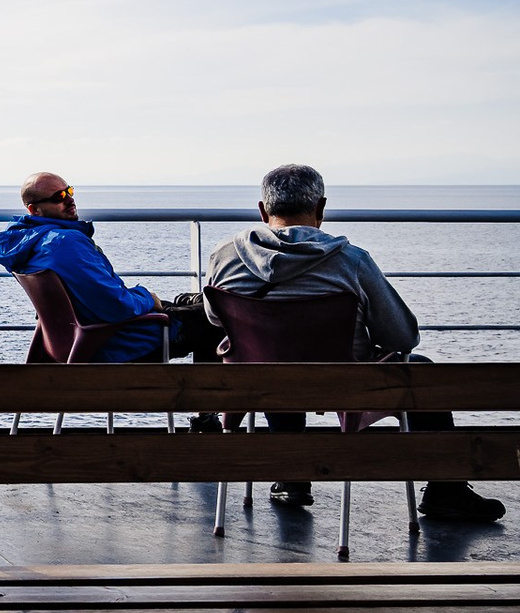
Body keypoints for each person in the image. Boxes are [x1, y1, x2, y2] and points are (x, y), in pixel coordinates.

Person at [204, 163, 504, 521]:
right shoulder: (353, 261)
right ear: (321, 208)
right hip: (345, 388)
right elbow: (403, 337)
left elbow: (214, 319)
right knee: (420, 369)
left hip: (258, 385)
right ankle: (446, 490)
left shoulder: (225, 256)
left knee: (273, 357)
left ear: (262, 210)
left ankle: (292, 476)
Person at [0, 173, 223, 367]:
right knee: (219, 318)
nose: (70, 200)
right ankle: (212, 406)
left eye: (69, 191)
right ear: (35, 210)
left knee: (201, 306)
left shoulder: (29, 245)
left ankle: (190, 302)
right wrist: (147, 297)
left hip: (83, 335)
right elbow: (118, 306)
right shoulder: (64, 244)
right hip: (118, 340)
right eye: (58, 197)